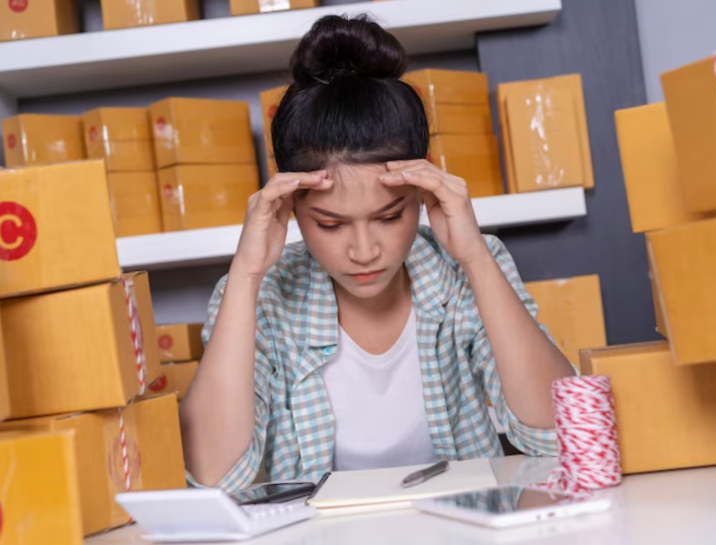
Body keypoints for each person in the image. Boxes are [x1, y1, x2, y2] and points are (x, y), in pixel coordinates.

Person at [180, 14, 575, 491]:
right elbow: (214, 476)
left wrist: (474, 257)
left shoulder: (464, 267)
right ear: (289, 207)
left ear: (424, 189)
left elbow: (555, 435)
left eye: (390, 217)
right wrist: (245, 274)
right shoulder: (260, 294)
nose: (364, 251)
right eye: (330, 224)